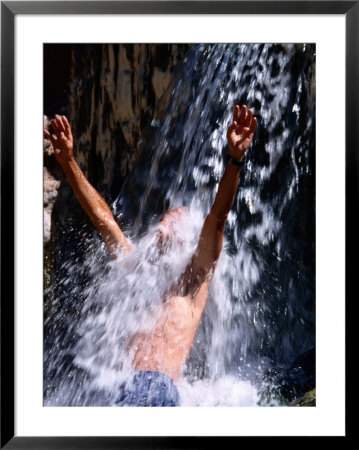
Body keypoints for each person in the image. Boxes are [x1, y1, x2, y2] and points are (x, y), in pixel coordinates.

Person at [44, 105, 257, 406]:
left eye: (172, 221)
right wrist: (68, 163)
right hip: (117, 386)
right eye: (162, 219)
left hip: (156, 388)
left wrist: (235, 160)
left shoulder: (193, 282)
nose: (161, 225)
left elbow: (217, 218)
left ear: (187, 240)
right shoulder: (139, 274)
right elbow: (103, 218)